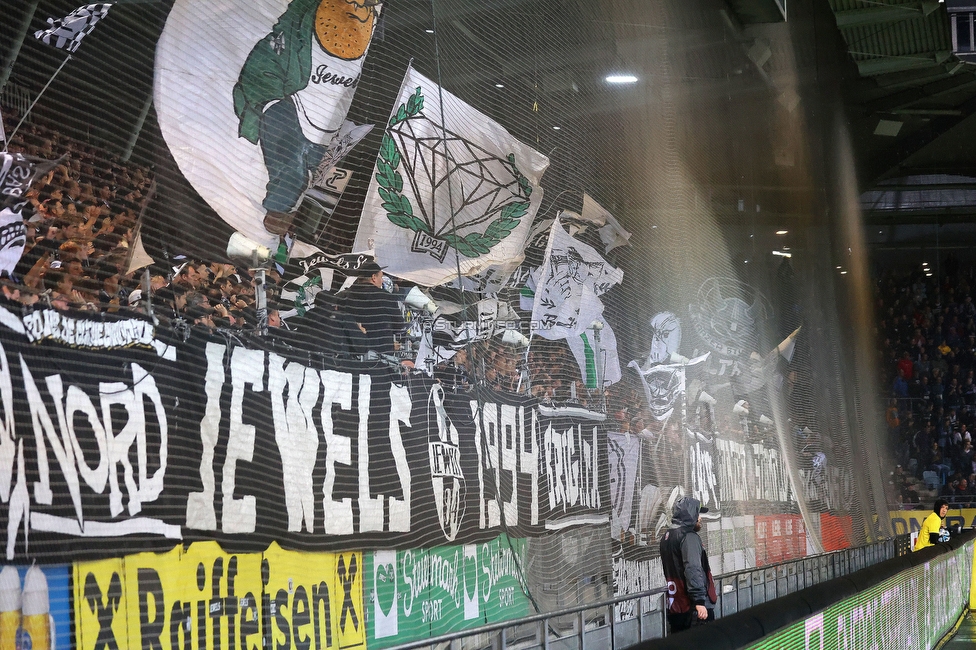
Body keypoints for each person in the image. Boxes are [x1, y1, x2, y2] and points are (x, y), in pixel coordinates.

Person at [660, 496, 716, 632]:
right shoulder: (689, 536)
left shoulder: (667, 536)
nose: (700, 518)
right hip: (692, 609)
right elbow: (692, 568)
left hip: (676, 606)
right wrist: (699, 601)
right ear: (690, 515)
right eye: (697, 514)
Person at [341, 260, 404, 355]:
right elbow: (398, 325)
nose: (382, 280)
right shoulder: (386, 297)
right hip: (382, 354)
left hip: (353, 353)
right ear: (373, 277)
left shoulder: (344, 297)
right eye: (381, 277)